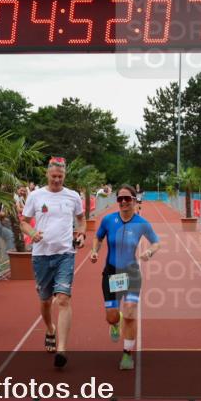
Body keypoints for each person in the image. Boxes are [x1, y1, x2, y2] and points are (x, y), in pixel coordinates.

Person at [21, 157, 86, 368]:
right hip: (41, 256)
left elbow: (81, 219)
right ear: (47, 174)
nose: (57, 180)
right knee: (45, 300)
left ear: (64, 175)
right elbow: (23, 221)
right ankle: (50, 329)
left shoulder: (73, 196)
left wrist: (82, 234)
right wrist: (32, 232)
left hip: (65, 254)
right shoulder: (36, 195)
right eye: (53, 176)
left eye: (60, 176)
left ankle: (62, 349)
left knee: (64, 299)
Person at [90, 184, 160, 370]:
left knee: (130, 312)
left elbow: (156, 243)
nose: (123, 202)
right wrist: (94, 251)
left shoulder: (142, 223)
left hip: (132, 273)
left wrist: (149, 253)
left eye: (127, 199)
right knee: (112, 316)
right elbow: (98, 238)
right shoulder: (108, 220)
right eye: (119, 199)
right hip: (111, 273)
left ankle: (127, 355)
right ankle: (114, 323)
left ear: (134, 200)